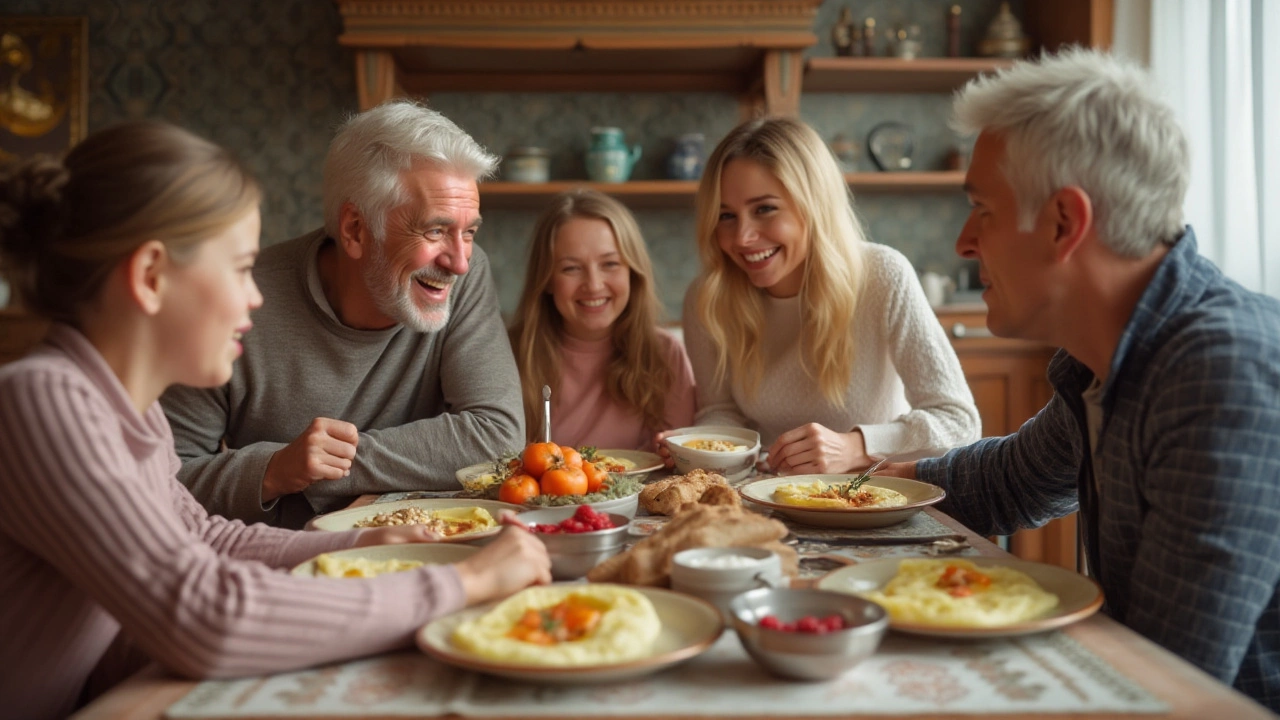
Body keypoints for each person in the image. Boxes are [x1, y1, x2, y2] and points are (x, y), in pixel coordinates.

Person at [0, 121, 550, 720]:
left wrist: (363, 541)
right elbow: (204, 612)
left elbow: (208, 539)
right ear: (152, 276)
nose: (257, 297)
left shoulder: (127, 409)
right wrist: (460, 586)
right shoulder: (43, 400)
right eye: (239, 269)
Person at [879, 49, 1280, 710]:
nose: (963, 243)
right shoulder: (1111, 355)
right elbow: (1009, 481)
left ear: (1064, 223)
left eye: (983, 209)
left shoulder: (1222, 372)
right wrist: (863, 486)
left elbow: (1164, 684)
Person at [161, 101, 525, 528]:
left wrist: (326, 469)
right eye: (435, 230)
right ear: (355, 229)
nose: (459, 261)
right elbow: (165, 480)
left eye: (469, 232)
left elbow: (497, 437)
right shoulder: (241, 296)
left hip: (426, 547)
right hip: (282, 563)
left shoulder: (465, 275)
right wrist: (275, 469)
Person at [679, 116, 980, 474]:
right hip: (763, 494)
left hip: (867, 497)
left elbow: (959, 422)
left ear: (815, 204)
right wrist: (698, 447)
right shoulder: (708, 297)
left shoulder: (884, 275)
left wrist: (856, 446)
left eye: (764, 209)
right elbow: (721, 410)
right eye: (726, 216)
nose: (742, 237)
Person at [509, 188, 695, 449]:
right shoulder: (507, 355)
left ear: (633, 272)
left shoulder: (665, 354)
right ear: (547, 280)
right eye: (571, 268)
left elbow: (677, 467)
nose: (594, 285)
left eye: (610, 264)